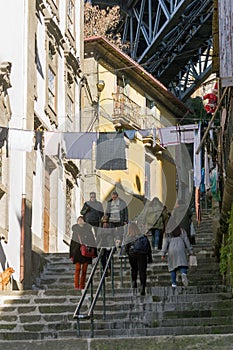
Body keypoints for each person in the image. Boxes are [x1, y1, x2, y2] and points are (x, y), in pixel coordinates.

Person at [161, 216, 194, 288]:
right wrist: (190, 250)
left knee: (172, 267)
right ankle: (183, 274)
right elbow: (186, 241)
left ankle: (174, 283)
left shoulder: (167, 233)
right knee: (182, 264)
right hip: (181, 247)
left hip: (171, 249)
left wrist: (163, 253)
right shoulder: (181, 230)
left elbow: (165, 244)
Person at [124, 222, 152, 296]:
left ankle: (134, 283)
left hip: (132, 255)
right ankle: (142, 286)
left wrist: (128, 253)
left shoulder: (129, 237)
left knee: (134, 269)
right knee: (142, 271)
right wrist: (149, 257)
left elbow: (126, 248)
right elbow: (148, 247)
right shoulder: (142, 236)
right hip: (142, 255)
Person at [69, 216, 97, 290]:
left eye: (81, 220)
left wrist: (94, 252)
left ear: (84, 221)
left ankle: (82, 285)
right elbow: (72, 243)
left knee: (84, 270)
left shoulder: (88, 230)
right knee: (78, 269)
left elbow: (92, 241)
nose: (80, 221)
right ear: (77, 222)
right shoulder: (75, 231)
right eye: (79, 220)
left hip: (86, 251)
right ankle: (76, 285)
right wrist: (71, 254)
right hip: (77, 252)